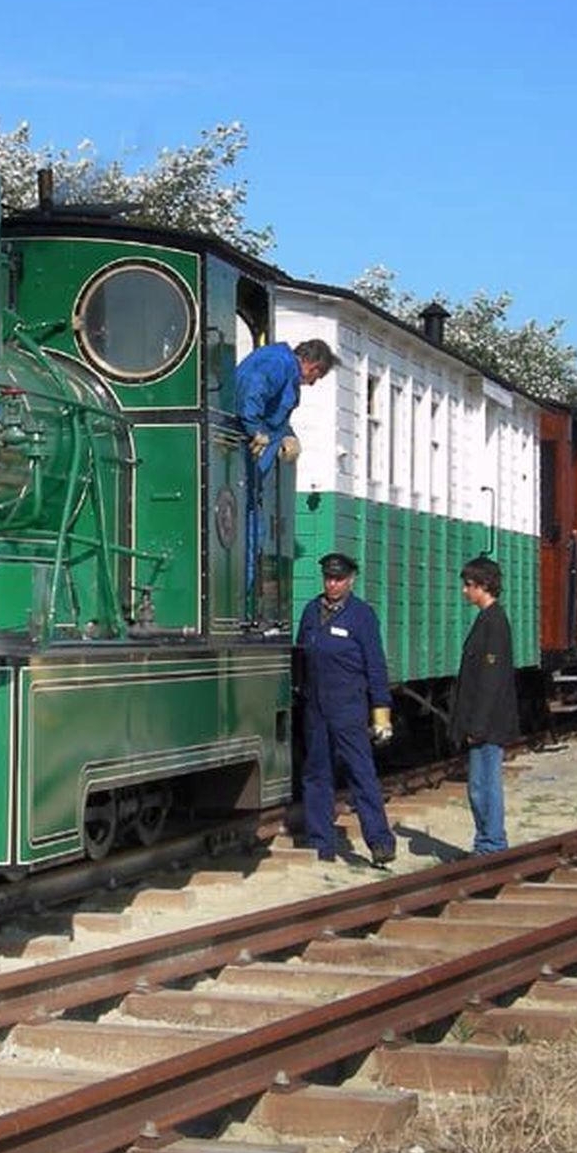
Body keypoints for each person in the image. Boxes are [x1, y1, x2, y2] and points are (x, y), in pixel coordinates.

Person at [295, 551, 397, 867]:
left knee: (361, 773)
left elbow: (376, 666)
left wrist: (381, 711)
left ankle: (380, 842)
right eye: (328, 578)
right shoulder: (312, 611)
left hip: (349, 708)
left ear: (351, 580)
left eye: (338, 579)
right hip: (316, 708)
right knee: (316, 775)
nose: (332, 584)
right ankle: (320, 844)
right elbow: (300, 656)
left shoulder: (361, 616)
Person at [234, 338, 335, 610]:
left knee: (254, 529)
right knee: (248, 531)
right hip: (246, 461)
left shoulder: (280, 364)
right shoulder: (278, 363)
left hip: (255, 468)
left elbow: (274, 415)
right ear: (312, 365)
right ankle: (238, 604)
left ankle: (243, 602)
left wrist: (288, 436)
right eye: (317, 376)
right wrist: (254, 429)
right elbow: (253, 389)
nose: (312, 383)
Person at [450, 556, 519, 854]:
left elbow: (491, 681)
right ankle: (487, 842)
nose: (465, 591)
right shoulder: (487, 620)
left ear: (484, 586)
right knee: (478, 786)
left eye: (469, 585)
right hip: (484, 723)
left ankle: (491, 845)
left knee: (483, 787)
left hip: (488, 725)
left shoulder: (494, 623)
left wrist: (477, 725)